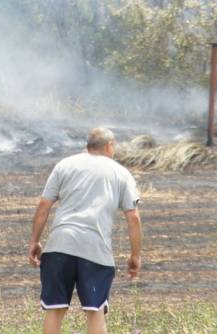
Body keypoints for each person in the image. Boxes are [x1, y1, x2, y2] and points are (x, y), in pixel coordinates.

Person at [29, 127, 142, 334]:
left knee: (55, 309)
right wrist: (135, 256)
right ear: (109, 146)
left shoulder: (65, 165)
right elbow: (133, 218)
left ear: (88, 146)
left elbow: (44, 205)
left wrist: (34, 242)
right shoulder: (121, 173)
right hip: (95, 250)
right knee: (95, 310)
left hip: (59, 245)